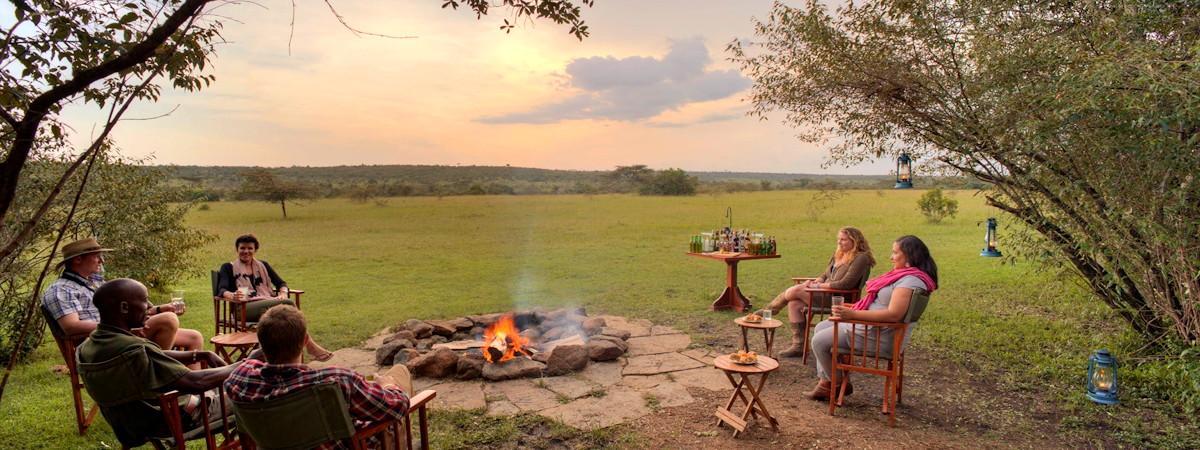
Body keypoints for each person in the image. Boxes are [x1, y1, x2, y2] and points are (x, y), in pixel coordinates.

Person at [75, 279, 245, 447]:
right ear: (124, 308)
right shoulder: (134, 349)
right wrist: (245, 363)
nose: (149, 308)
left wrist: (198, 354)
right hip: (180, 419)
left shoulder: (87, 347)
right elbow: (196, 382)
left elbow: (155, 354)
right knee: (252, 386)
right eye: (144, 301)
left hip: (133, 425)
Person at [224, 305, 411, 450]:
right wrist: (388, 386)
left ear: (261, 344)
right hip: (349, 443)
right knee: (399, 372)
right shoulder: (335, 381)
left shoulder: (239, 379)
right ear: (305, 341)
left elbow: (251, 362)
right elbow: (399, 405)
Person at [807, 235, 938, 401]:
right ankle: (827, 382)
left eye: (895, 253)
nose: (891, 257)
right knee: (821, 327)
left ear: (909, 256)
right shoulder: (907, 276)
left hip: (877, 337)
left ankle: (838, 382)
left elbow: (894, 315)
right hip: (871, 328)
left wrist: (853, 314)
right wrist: (851, 309)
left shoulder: (911, 281)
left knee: (818, 341)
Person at [42, 237, 203, 356]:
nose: (101, 260)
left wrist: (159, 309)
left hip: (123, 335)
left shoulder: (95, 283)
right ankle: (154, 376)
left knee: (194, 337)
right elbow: (71, 327)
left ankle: (195, 394)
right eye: (97, 256)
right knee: (168, 319)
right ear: (78, 259)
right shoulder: (60, 289)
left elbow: (125, 313)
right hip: (100, 345)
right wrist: (122, 328)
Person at [216, 233, 332, 361]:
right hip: (243, 310)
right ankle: (310, 346)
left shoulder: (263, 265)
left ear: (255, 250)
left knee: (287, 315)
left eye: (250, 248)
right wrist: (232, 295)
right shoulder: (228, 267)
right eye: (242, 248)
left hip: (267, 305)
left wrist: (283, 293)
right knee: (288, 305)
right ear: (237, 249)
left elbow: (281, 283)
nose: (246, 251)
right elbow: (222, 290)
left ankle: (289, 357)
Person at [766, 227, 875, 357]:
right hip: (825, 293)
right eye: (838, 239)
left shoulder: (860, 258)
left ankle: (769, 310)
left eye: (843, 240)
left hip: (840, 299)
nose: (839, 242)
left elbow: (846, 284)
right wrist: (816, 282)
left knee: (796, 290)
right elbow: (825, 274)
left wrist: (818, 286)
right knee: (794, 303)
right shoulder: (839, 254)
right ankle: (799, 346)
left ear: (855, 241)